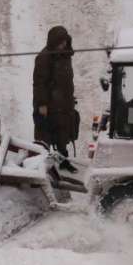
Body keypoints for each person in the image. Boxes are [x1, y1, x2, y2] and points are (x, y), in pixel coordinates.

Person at [32, 25, 78, 163]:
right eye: (60, 42)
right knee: (45, 138)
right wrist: (41, 104)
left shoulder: (65, 57)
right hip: (48, 106)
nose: (63, 45)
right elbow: (39, 83)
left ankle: (62, 163)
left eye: (65, 41)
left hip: (63, 105)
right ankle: (42, 167)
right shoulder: (44, 58)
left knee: (62, 136)